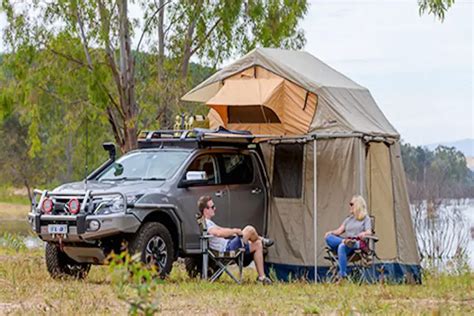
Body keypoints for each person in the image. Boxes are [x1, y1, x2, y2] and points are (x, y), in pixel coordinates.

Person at [197, 195, 274, 284]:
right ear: (206, 210)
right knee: (249, 229)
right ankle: (263, 240)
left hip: (229, 244)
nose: (215, 209)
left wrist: (234, 232)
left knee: (257, 244)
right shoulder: (207, 223)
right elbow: (218, 233)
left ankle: (262, 278)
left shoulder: (209, 222)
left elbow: (221, 229)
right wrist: (234, 231)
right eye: (212, 207)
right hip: (227, 248)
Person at [324, 195, 372, 281]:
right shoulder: (348, 219)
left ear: (357, 205)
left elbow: (369, 232)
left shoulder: (365, 218)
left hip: (356, 244)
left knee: (341, 246)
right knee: (329, 238)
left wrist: (364, 233)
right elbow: (338, 231)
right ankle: (345, 241)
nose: (350, 206)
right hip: (347, 242)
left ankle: (342, 275)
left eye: (351, 204)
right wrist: (330, 233)